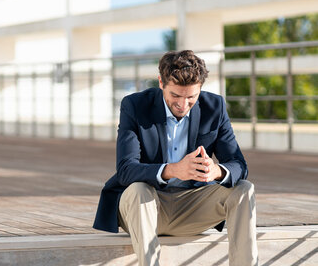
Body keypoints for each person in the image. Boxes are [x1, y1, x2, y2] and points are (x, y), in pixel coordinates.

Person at [93, 50, 258, 266]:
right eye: (176, 96)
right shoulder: (134, 106)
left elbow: (239, 165)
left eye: (191, 97)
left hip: (192, 208)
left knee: (244, 188)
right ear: (161, 82)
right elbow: (126, 170)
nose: (183, 104)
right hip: (145, 207)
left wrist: (216, 171)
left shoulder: (214, 107)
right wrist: (173, 170)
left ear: (200, 88)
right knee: (138, 190)